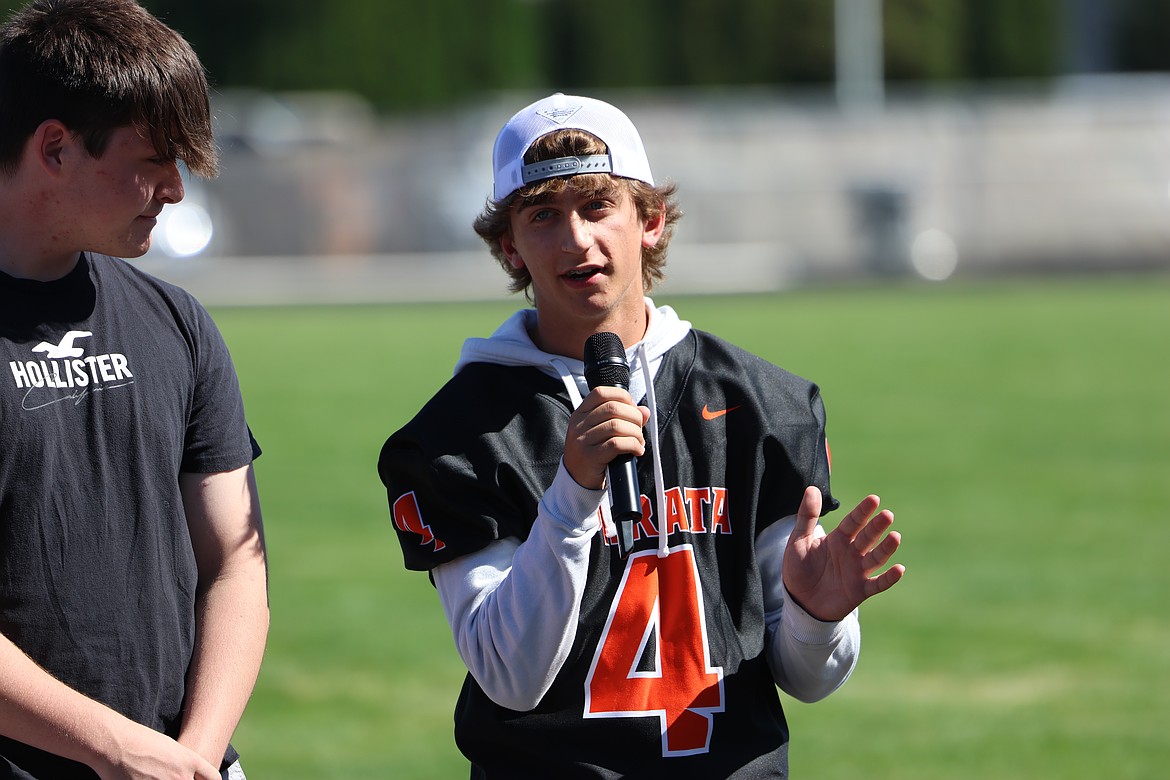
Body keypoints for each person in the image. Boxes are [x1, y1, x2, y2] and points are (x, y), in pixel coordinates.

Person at [378, 93, 904, 778]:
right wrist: (570, 493)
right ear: (508, 244)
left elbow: (809, 677)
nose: (576, 240)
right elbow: (510, 676)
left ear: (649, 221)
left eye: (598, 207)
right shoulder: (456, 437)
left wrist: (816, 615)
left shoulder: (762, 403)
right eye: (543, 216)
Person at [0, 1, 268, 778]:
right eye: (153, 160)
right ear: (55, 147)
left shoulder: (177, 322)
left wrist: (197, 756)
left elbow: (235, 564)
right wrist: (116, 751)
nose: (176, 192)